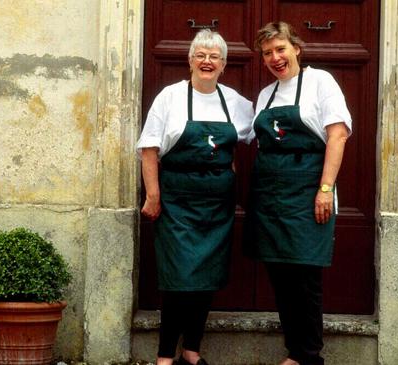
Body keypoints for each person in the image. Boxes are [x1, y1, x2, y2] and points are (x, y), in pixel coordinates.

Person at [136, 29, 253, 365]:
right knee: (178, 280)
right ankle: (163, 356)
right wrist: (153, 195)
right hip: (177, 204)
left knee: (206, 280)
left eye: (214, 56)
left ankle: (191, 352)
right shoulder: (169, 98)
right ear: (190, 60)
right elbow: (149, 149)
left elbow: (255, 135)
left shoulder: (235, 102)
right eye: (200, 55)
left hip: (217, 207)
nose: (207, 61)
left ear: (224, 64)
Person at [245, 21, 352, 365]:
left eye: (281, 49)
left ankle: (310, 355)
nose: (275, 58)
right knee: (281, 277)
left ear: (297, 49)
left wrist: (325, 189)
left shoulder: (321, 82)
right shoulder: (267, 94)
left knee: (305, 278)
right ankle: (296, 352)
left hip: (308, 193)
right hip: (271, 197)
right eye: (267, 53)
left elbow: (337, 136)